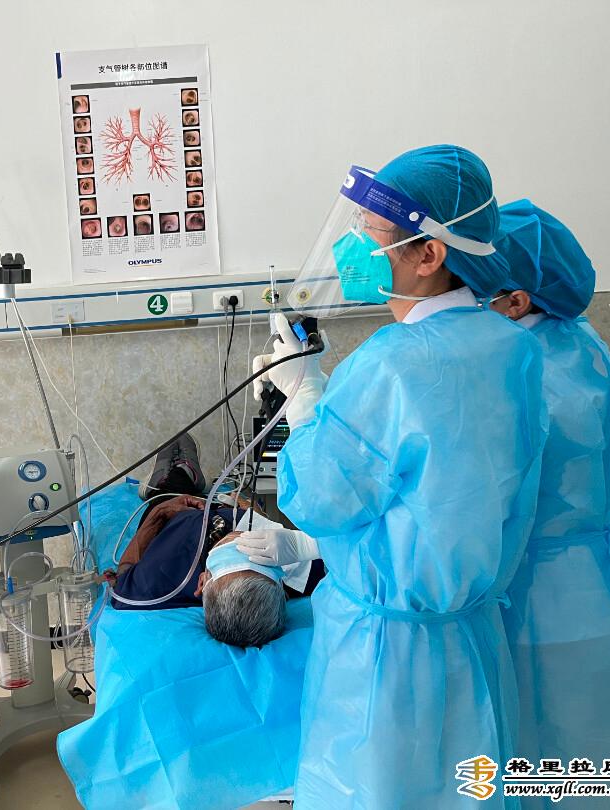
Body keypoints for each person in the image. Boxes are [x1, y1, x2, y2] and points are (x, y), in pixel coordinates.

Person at [238, 145, 548, 808]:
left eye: (371, 233)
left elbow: (317, 495)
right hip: (472, 640)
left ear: (429, 254)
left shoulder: (394, 365)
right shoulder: (513, 349)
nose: (354, 247)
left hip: (387, 658)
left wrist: (303, 396)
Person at [489, 200, 610, 797]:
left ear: (516, 300)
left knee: (540, 763)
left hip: (537, 597)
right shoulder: (578, 340)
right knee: (597, 754)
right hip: (602, 582)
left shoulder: (518, 375)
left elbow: (472, 506)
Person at [109, 491, 324, 648]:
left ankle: (181, 468)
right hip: (228, 503)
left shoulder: (152, 584)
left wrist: (160, 512)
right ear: (283, 590)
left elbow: (124, 573)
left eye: (230, 551)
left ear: (202, 582)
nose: (242, 537)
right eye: (260, 557)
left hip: (175, 509)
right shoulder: (305, 569)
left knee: (173, 476)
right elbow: (339, 549)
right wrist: (256, 514)